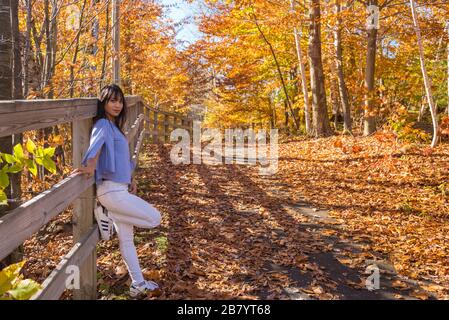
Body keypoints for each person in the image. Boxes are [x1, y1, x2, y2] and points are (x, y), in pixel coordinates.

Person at [72, 84, 161, 298]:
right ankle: (107, 214)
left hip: (119, 189)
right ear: (103, 102)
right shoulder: (103, 124)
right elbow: (97, 144)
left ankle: (137, 283)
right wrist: (91, 164)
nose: (118, 105)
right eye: (112, 100)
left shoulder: (115, 127)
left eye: (120, 101)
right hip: (111, 193)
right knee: (155, 219)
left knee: (127, 240)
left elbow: (120, 158)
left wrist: (130, 177)